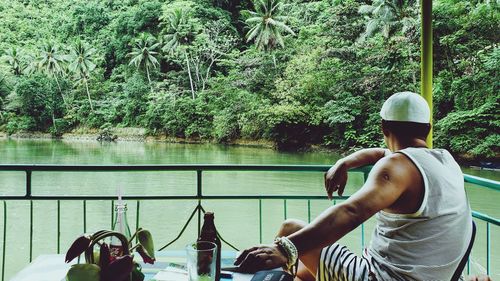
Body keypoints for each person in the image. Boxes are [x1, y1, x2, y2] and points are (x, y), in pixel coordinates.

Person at [235, 92, 475, 280]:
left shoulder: (395, 165)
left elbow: (351, 212)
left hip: (379, 277)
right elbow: (383, 152)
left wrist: (286, 249)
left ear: (384, 128)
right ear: (428, 129)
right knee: (305, 272)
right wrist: (346, 162)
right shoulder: (445, 160)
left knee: (290, 229)